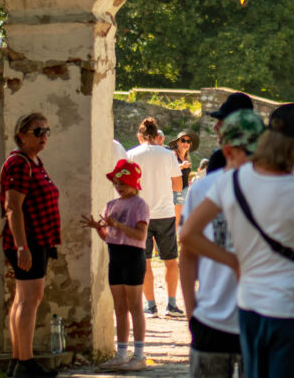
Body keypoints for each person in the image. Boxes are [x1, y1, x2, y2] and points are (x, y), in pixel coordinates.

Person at [180, 103, 294, 378]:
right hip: (291, 310)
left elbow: (188, 236)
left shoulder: (231, 181)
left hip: (249, 309)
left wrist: (234, 261)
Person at [179, 110, 264, 378]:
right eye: (245, 151)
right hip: (212, 318)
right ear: (228, 150)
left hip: (260, 322)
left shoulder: (272, 188)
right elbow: (188, 254)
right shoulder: (202, 189)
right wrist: (192, 312)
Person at [1, 113, 61, 378]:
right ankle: (25, 364)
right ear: (21, 134)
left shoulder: (34, 162)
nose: (43, 136)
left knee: (23, 298)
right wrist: (21, 247)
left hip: (38, 240)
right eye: (37, 132)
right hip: (29, 242)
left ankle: (18, 360)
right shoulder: (19, 164)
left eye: (46, 131)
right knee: (29, 299)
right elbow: (13, 207)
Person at [82, 160, 150, 371]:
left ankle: (139, 354)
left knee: (135, 306)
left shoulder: (140, 205)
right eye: (116, 182)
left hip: (133, 256)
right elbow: (109, 236)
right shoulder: (111, 205)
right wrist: (98, 228)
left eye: (123, 182)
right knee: (119, 307)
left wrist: (118, 225)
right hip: (116, 256)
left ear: (134, 184)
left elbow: (140, 235)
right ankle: (121, 353)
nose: (119, 186)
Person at [128, 118, 184, 317]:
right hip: (165, 213)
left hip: (140, 214)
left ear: (140, 136)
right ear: (156, 135)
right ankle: (171, 304)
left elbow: (127, 186)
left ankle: (150, 305)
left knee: (145, 262)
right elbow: (178, 186)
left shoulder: (131, 155)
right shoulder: (169, 155)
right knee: (170, 259)